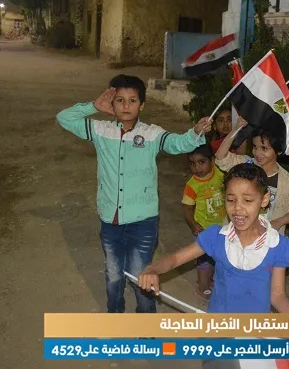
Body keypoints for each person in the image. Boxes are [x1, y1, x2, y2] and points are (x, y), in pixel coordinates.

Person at [56, 74, 211, 313]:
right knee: (114, 274)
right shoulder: (100, 130)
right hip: (110, 219)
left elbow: (178, 144)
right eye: (120, 100)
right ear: (112, 103)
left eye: (132, 100)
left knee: (142, 276)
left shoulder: (152, 134)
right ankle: (115, 313)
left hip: (143, 221)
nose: (126, 106)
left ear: (142, 105)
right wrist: (93, 106)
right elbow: (64, 118)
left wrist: (196, 132)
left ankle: (145, 321)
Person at [138, 163, 289, 315]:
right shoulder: (216, 237)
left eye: (247, 200)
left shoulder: (277, 245)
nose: (237, 208)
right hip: (219, 328)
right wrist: (152, 270)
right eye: (231, 200)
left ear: (264, 200)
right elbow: (175, 259)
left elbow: (277, 296)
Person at [214, 118, 289, 235]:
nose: (257, 153)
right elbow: (220, 157)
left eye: (264, 148)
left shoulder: (287, 182)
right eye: (255, 147)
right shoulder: (245, 165)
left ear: (279, 151)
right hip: (236, 233)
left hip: (267, 237)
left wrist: (279, 221)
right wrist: (236, 129)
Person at [182, 143, 227, 300]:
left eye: (202, 162)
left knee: (218, 257)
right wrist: (193, 225)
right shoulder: (191, 185)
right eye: (192, 163)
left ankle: (212, 280)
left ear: (212, 161)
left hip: (223, 227)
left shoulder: (221, 176)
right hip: (203, 229)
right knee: (204, 259)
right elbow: (187, 208)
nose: (197, 168)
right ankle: (202, 284)